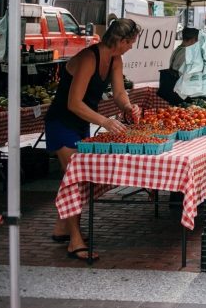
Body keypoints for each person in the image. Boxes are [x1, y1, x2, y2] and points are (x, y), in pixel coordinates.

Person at [44, 18, 143, 261]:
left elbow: (119, 93)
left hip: (80, 122)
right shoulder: (89, 58)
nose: (131, 47)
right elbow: (73, 103)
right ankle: (74, 242)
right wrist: (105, 121)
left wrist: (128, 107)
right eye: (130, 43)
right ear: (121, 41)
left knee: (73, 176)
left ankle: (61, 228)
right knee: (75, 178)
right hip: (61, 122)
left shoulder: (115, 59)